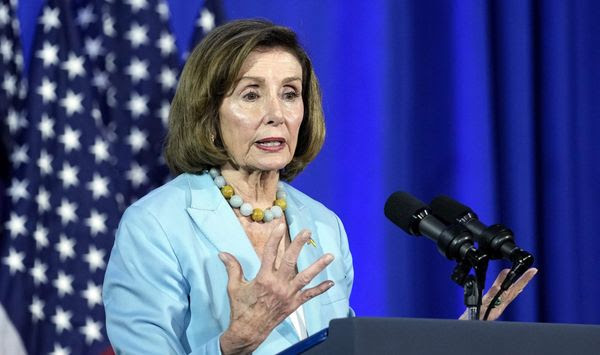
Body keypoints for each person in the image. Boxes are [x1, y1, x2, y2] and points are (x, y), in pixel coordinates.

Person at [102, 19, 536, 354]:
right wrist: (233, 344)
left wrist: (459, 340)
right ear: (208, 115)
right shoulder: (156, 224)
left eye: (290, 94)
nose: (276, 114)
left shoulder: (323, 226)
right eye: (251, 94)